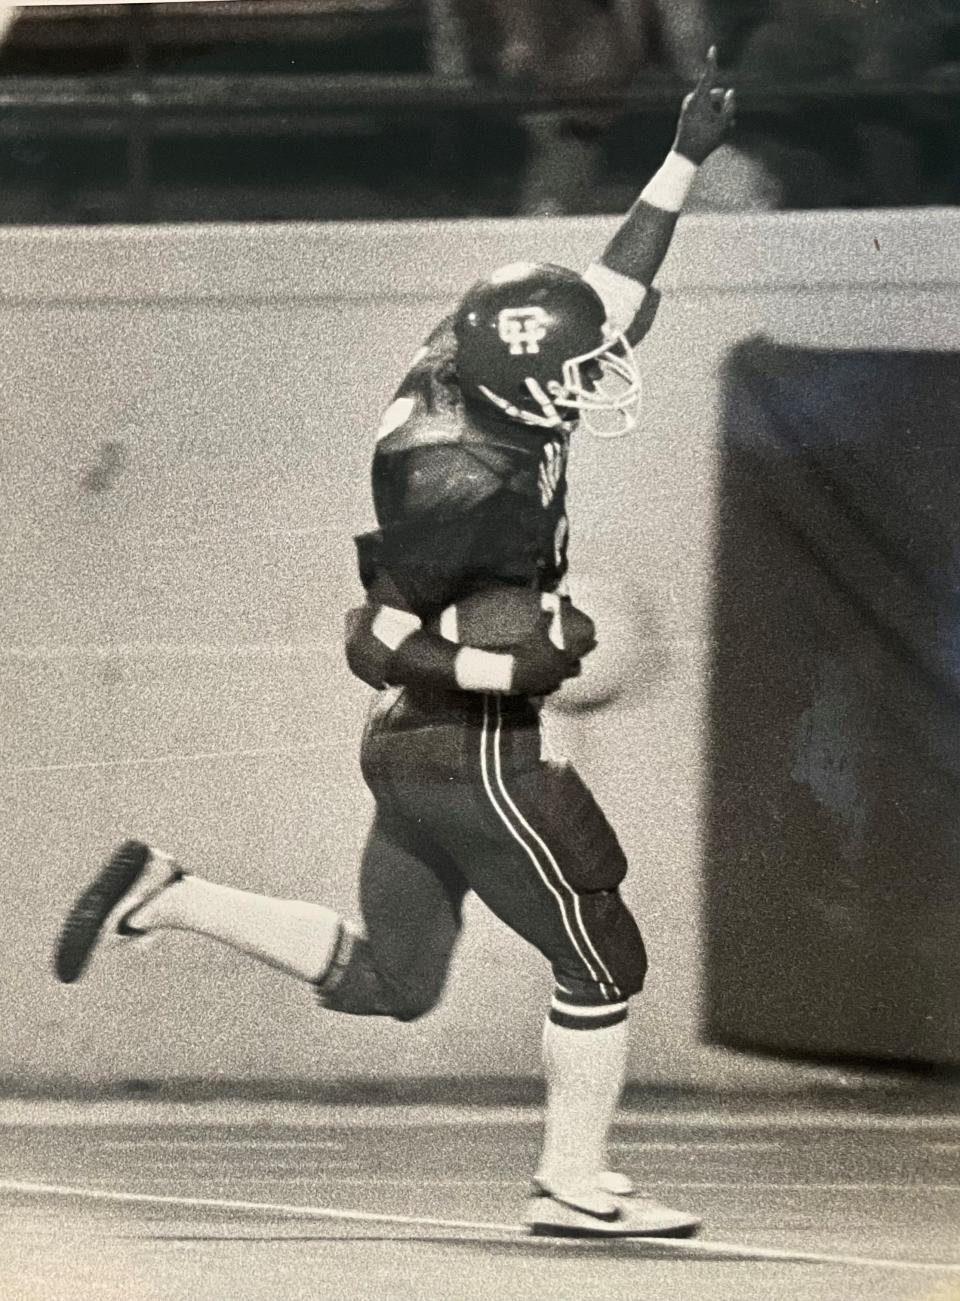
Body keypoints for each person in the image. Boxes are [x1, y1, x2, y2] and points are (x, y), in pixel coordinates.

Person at [54, 50, 735, 1239]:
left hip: (411, 755)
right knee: (603, 953)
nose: (597, 380)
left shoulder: (468, 361)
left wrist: (680, 158)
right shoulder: (462, 485)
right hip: (471, 746)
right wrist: (515, 665)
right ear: (521, 386)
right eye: (573, 376)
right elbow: (375, 639)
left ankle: (169, 893)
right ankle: (573, 1184)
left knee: (394, 984)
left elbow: (603, 295)